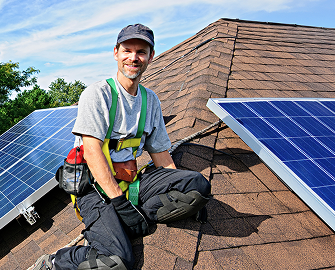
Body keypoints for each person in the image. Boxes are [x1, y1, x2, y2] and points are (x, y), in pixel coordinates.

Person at [29, 23, 211, 270]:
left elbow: (160, 155)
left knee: (198, 185)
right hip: (94, 189)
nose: (133, 58)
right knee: (117, 261)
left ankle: (127, 220)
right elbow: (92, 153)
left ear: (150, 57)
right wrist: (120, 204)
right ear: (116, 52)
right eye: (127, 50)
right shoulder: (98, 94)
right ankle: (55, 262)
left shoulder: (151, 101)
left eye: (141, 52)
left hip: (131, 182)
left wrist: (188, 198)